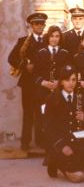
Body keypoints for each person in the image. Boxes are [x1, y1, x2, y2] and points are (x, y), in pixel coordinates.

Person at [44, 65, 84, 182]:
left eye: (73, 80)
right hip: (60, 143)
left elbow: (83, 125)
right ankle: (54, 160)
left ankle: (63, 163)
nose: (71, 83)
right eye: (67, 80)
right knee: (79, 177)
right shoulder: (52, 99)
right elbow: (47, 127)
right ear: (61, 81)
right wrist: (61, 146)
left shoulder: (78, 98)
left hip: (75, 141)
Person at [8, 12, 48, 150]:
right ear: (31, 26)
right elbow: (11, 58)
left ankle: (41, 141)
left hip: (43, 83)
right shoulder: (23, 41)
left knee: (42, 113)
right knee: (28, 113)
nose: (39, 26)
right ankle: (25, 142)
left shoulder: (48, 40)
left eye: (41, 24)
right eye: (36, 24)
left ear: (44, 25)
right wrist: (25, 64)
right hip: (29, 84)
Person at [34, 25, 70, 147]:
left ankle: (59, 143)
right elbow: (35, 73)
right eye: (52, 36)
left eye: (57, 36)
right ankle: (43, 143)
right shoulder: (40, 53)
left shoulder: (65, 53)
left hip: (59, 91)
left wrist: (59, 83)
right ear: (48, 38)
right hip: (43, 91)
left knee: (59, 117)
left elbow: (68, 72)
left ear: (60, 38)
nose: (54, 39)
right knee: (43, 116)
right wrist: (43, 82)